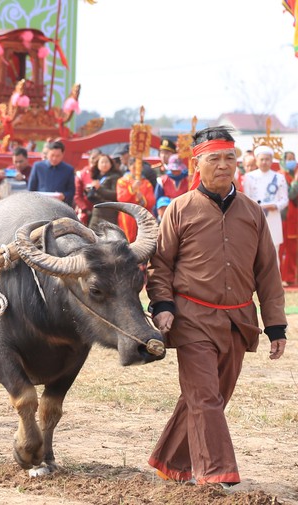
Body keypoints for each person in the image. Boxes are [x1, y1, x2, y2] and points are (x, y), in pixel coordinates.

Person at [147, 126, 287, 488]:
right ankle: (216, 473)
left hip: (239, 321)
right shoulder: (179, 209)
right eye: (214, 159)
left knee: (209, 397)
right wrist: (161, 305)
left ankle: (171, 461)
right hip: (191, 318)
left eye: (230, 158)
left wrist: (276, 326)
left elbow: (268, 273)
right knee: (205, 395)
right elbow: (160, 265)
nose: (224, 166)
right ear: (198, 164)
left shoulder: (253, 213)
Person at [242, 145, 288, 265]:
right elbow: (247, 198)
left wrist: (275, 206)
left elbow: (284, 200)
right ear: (256, 160)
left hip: (273, 218)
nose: (264, 162)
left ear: (272, 160)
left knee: (274, 251)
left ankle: (275, 283)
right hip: (255, 218)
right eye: (261, 159)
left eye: (267, 159)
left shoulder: (279, 177)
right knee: (255, 252)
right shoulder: (249, 177)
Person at [116, 158, 156, 242]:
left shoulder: (146, 183)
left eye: (138, 167)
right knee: (127, 239)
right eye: (133, 167)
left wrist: (142, 198)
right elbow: (121, 198)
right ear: (129, 167)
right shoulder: (122, 181)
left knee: (143, 239)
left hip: (142, 213)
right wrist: (132, 189)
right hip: (127, 214)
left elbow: (151, 201)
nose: (136, 170)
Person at [28, 140, 75, 206]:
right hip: (40, 205)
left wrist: (63, 196)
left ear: (62, 155)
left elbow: (71, 192)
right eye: (52, 155)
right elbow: (31, 189)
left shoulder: (68, 170)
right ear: (47, 154)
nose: (54, 158)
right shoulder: (38, 167)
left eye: (58, 156)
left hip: (60, 206)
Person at [84, 153, 123, 229]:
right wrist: (88, 192)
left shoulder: (115, 177)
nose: (104, 164)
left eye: (106, 162)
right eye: (102, 162)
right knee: (92, 237)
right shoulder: (96, 177)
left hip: (109, 213)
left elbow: (115, 195)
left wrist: (99, 189)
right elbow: (94, 198)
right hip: (96, 212)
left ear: (111, 164)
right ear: (97, 165)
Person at [280, 150, 298, 286]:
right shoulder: (282, 176)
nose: (292, 161)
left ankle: (291, 276)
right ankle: (283, 277)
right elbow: (291, 195)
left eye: (293, 159)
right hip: (286, 217)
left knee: (293, 248)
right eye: (289, 159)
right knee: (285, 247)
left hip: (295, 217)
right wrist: (296, 182)